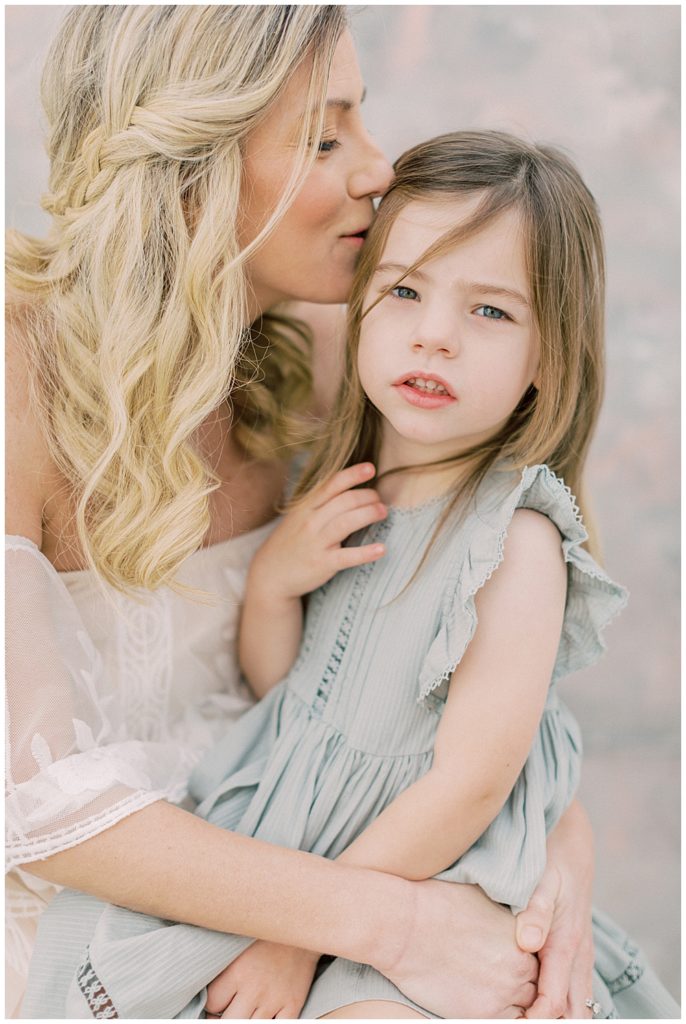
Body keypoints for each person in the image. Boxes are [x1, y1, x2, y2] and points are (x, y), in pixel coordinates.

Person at [8, 6, 597, 1020]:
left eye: (360, 120)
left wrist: (559, 860)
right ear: (190, 167)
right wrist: (387, 922)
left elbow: (453, 677)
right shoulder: (16, 377)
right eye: (324, 137)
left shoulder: (340, 365)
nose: (377, 169)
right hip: (76, 931)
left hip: (299, 885)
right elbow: (30, 800)